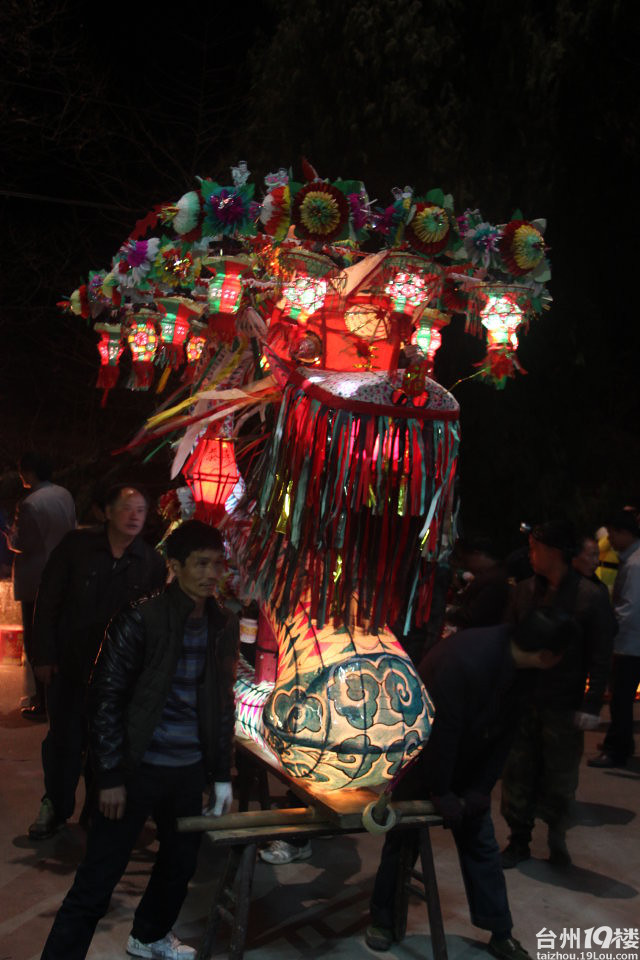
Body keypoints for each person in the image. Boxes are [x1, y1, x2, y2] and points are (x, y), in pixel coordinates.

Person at [40, 519, 239, 960]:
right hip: (137, 768)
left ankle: (148, 935)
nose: (211, 575)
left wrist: (221, 775)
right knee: (98, 878)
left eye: (218, 565)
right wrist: (109, 775)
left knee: (178, 865)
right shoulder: (140, 618)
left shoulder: (221, 625)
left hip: (187, 771)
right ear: (174, 565)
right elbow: (105, 698)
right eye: (201, 564)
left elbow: (222, 705)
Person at [366, 610, 575, 960]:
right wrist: (440, 792)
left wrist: (480, 789)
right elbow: (442, 734)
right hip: (421, 753)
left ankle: (500, 931)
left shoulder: (525, 672)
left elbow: (505, 737)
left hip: (470, 757)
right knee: (402, 841)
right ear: (548, 655)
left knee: (481, 844)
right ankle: (383, 921)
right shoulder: (466, 660)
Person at [28, 484, 167, 840]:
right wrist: (42, 656)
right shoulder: (76, 548)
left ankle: (96, 813)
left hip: (118, 678)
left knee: (107, 744)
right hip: (70, 667)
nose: (135, 516)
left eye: (141, 509)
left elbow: (153, 623)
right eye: (126, 508)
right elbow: (47, 604)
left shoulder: (150, 563)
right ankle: (54, 807)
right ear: (105, 512)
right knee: (64, 742)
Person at [500, 521, 614, 868]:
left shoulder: (589, 596)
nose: (530, 555)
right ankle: (518, 838)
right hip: (523, 699)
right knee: (517, 772)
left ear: (554, 551)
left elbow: (600, 654)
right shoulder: (522, 591)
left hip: (564, 704)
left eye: (536, 548)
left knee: (560, 776)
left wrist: (592, 702)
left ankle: (557, 837)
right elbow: (505, 639)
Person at [5, 452, 76, 718]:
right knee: (57, 638)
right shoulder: (64, 495)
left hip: (36, 577)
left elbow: (23, 543)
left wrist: (11, 535)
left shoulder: (30, 503)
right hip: (63, 574)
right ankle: (56, 699)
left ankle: (43, 703)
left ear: (30, 472)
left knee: (38, 642)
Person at [588, 510, 640, 768]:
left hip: (631, 645)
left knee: (620, 698)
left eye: (612, 534)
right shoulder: (632, 560)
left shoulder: (635, 564)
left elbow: (629, 609)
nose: (610, 540)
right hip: (631, 642)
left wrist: (607, 632)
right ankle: (621, 743)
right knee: (621, 697)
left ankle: (617, 749)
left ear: (623, 533)